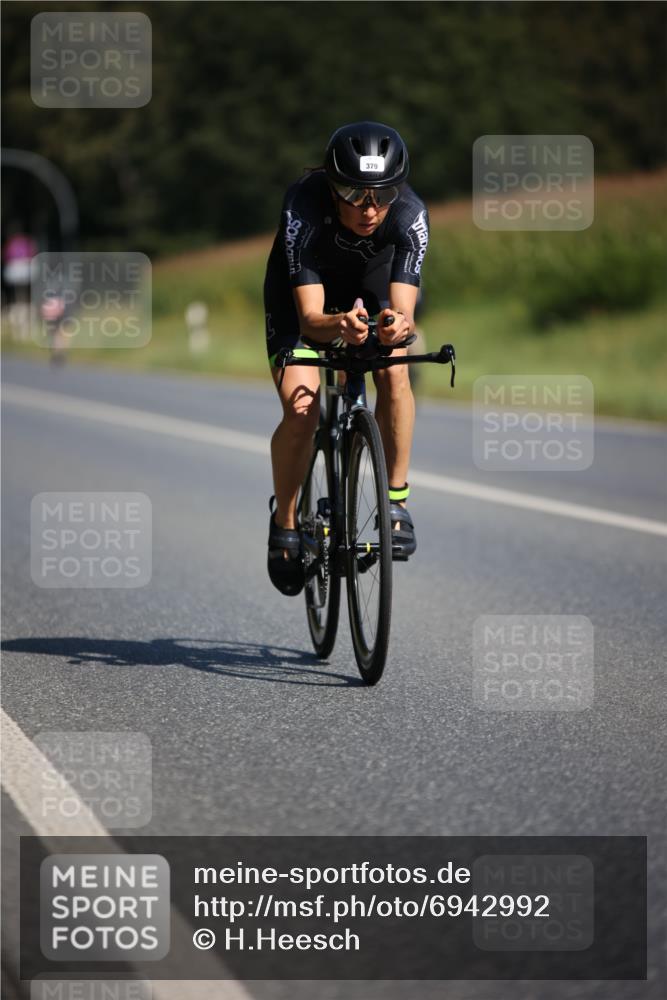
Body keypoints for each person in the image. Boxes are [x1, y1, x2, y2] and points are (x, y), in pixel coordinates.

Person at [264, 121, 429, 596]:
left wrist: (397, 326)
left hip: (369, 283)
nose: (370, 208)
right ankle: (286, 521)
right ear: (332, 186)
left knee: (395, 369)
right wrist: (340, 326)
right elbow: (312, 318)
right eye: (355, 194)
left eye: (383, 194)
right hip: (303, 299)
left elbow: (405, 315)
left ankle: (395, 502)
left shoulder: (410, 215)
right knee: (302, 408)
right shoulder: (303, 207)